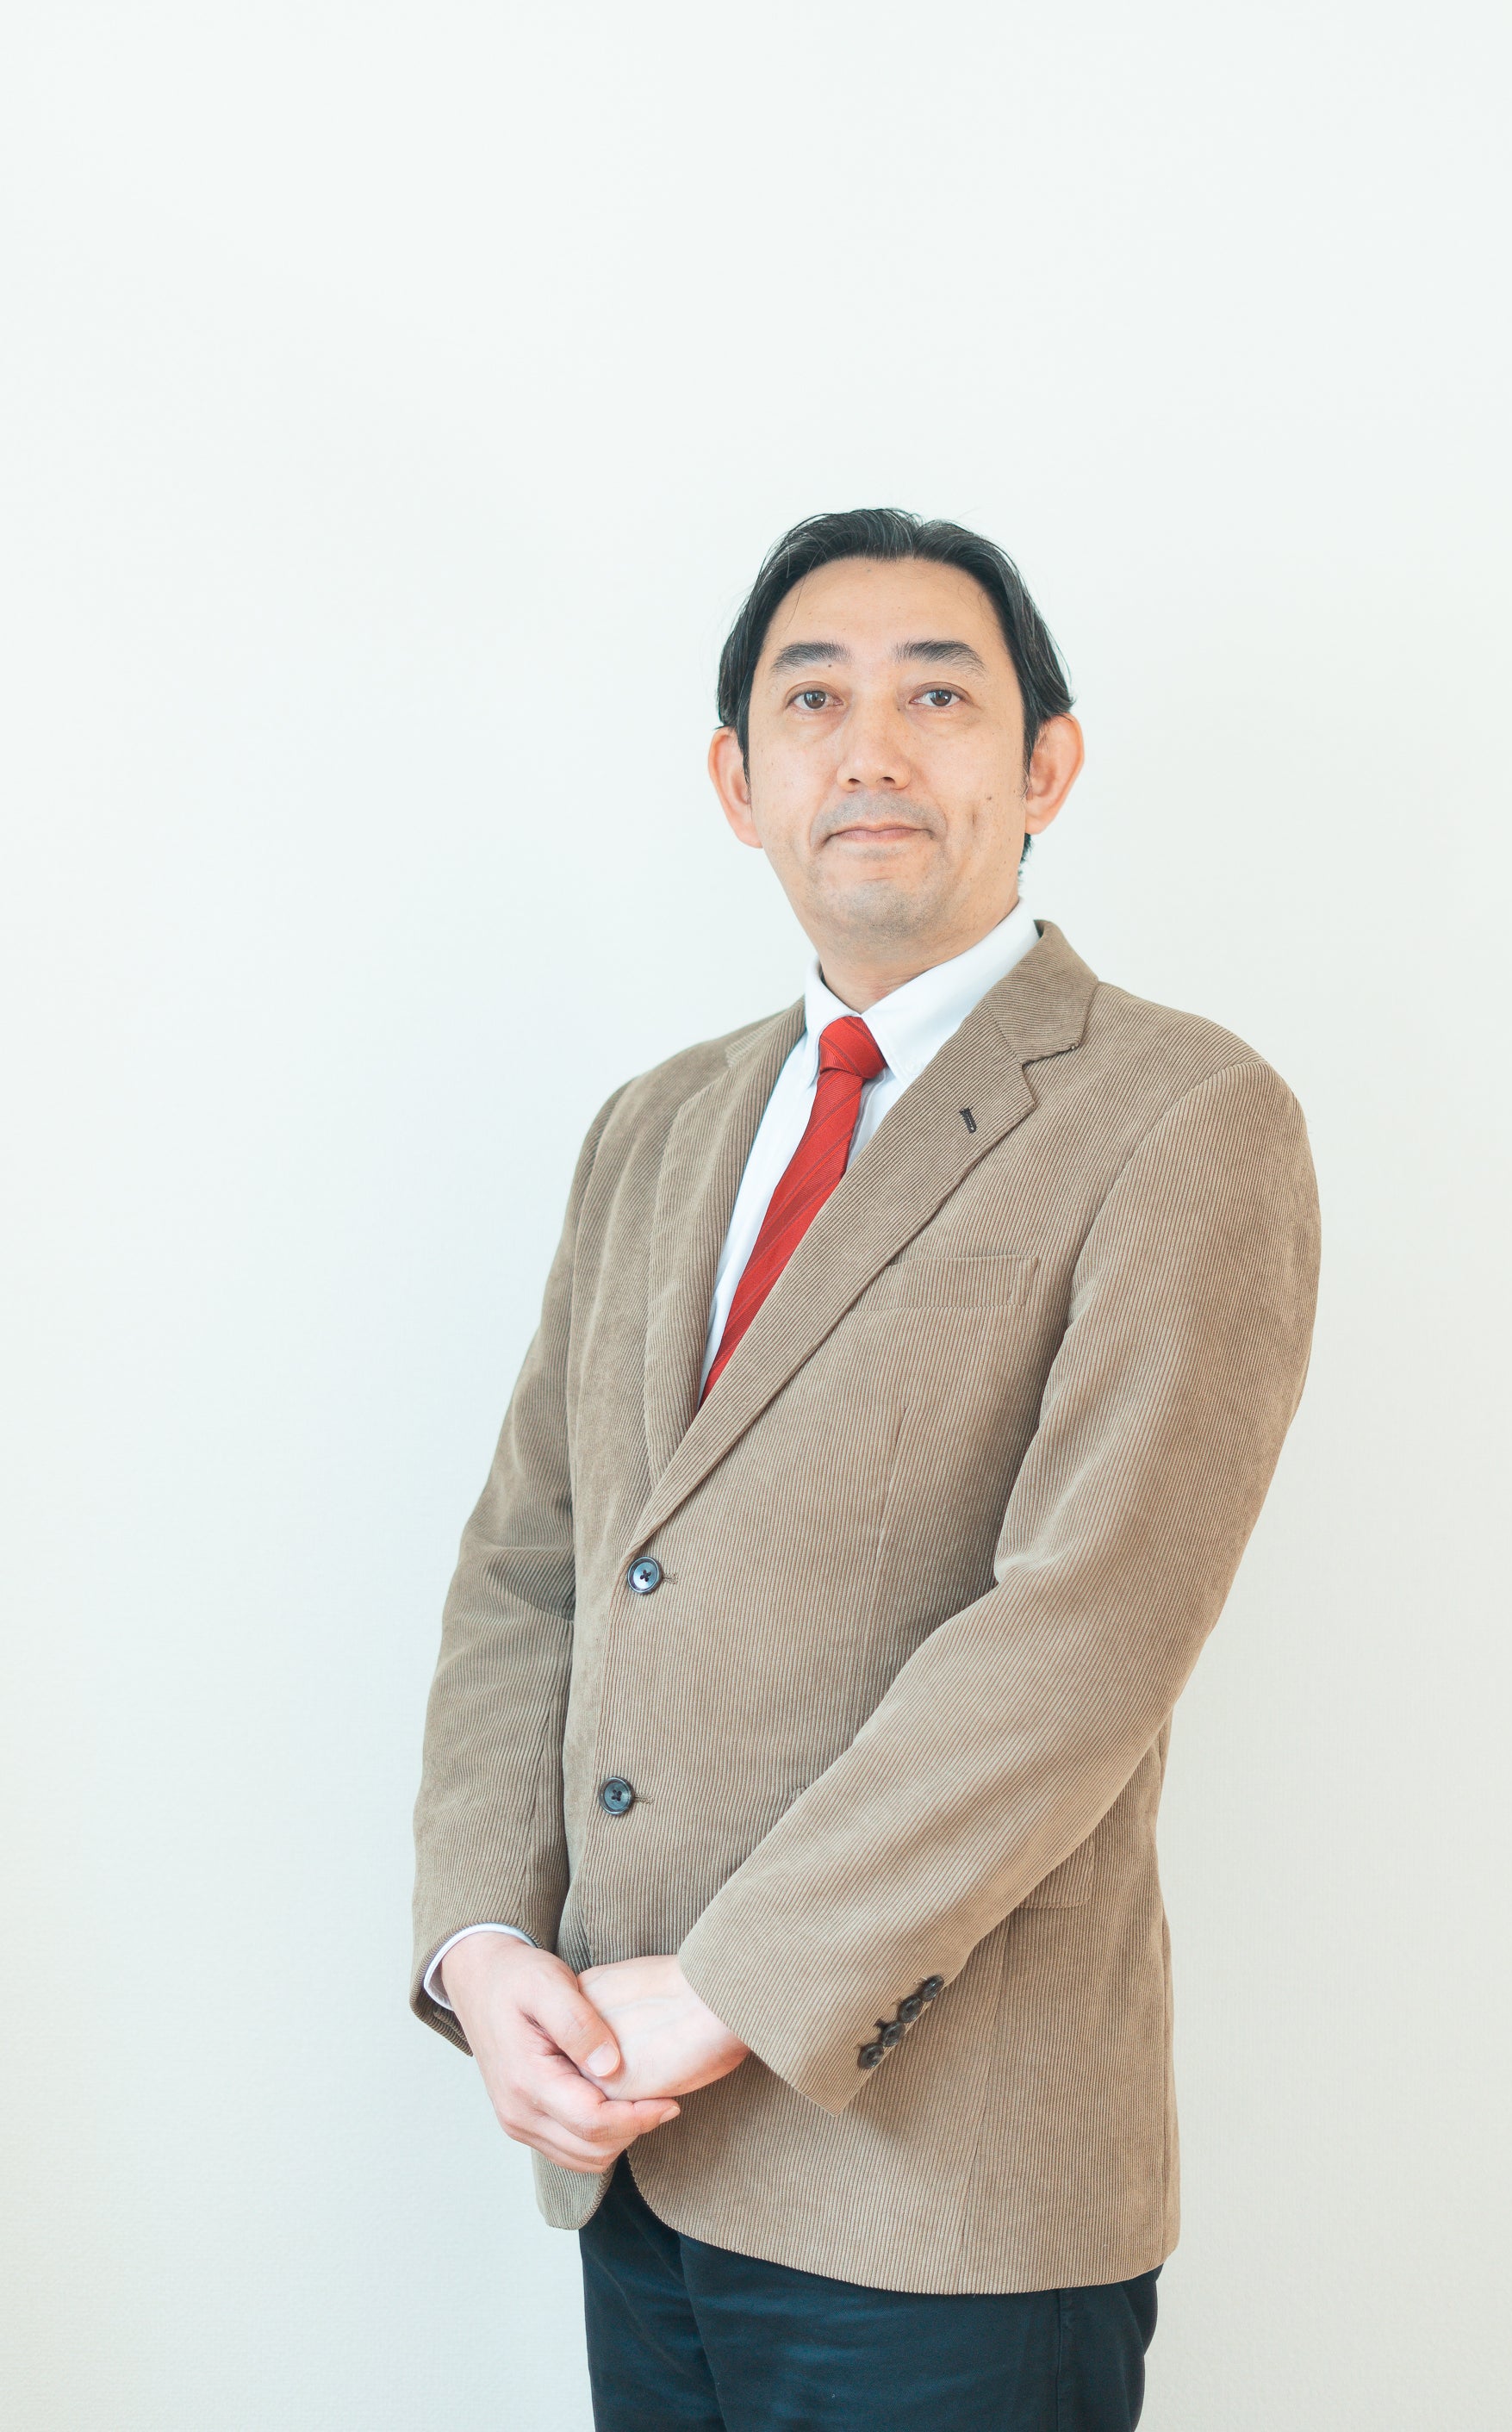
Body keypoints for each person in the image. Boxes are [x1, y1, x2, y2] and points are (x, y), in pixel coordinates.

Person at [412, 507, 1321, 2430]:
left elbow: (1086, 1634)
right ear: (738, 783)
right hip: (632, 2156)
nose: (872, 748)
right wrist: (483, 1942)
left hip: (947, 2195)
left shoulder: (1184, 1117)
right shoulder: (653, 1128)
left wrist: (730, 1986)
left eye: (940, 696)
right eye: (811, 702)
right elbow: (535, 1566)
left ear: (1046, 765)